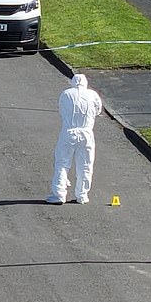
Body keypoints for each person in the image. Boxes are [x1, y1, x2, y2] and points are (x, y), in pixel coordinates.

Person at [46, 74, 102, 205]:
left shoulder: (66, 94)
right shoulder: (92, 95)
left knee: (62, 163)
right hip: (86, 133)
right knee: (85, 165)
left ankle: (59, 194)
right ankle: (82, 195)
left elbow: (61, 109)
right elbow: (98, 110)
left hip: (68, 132)